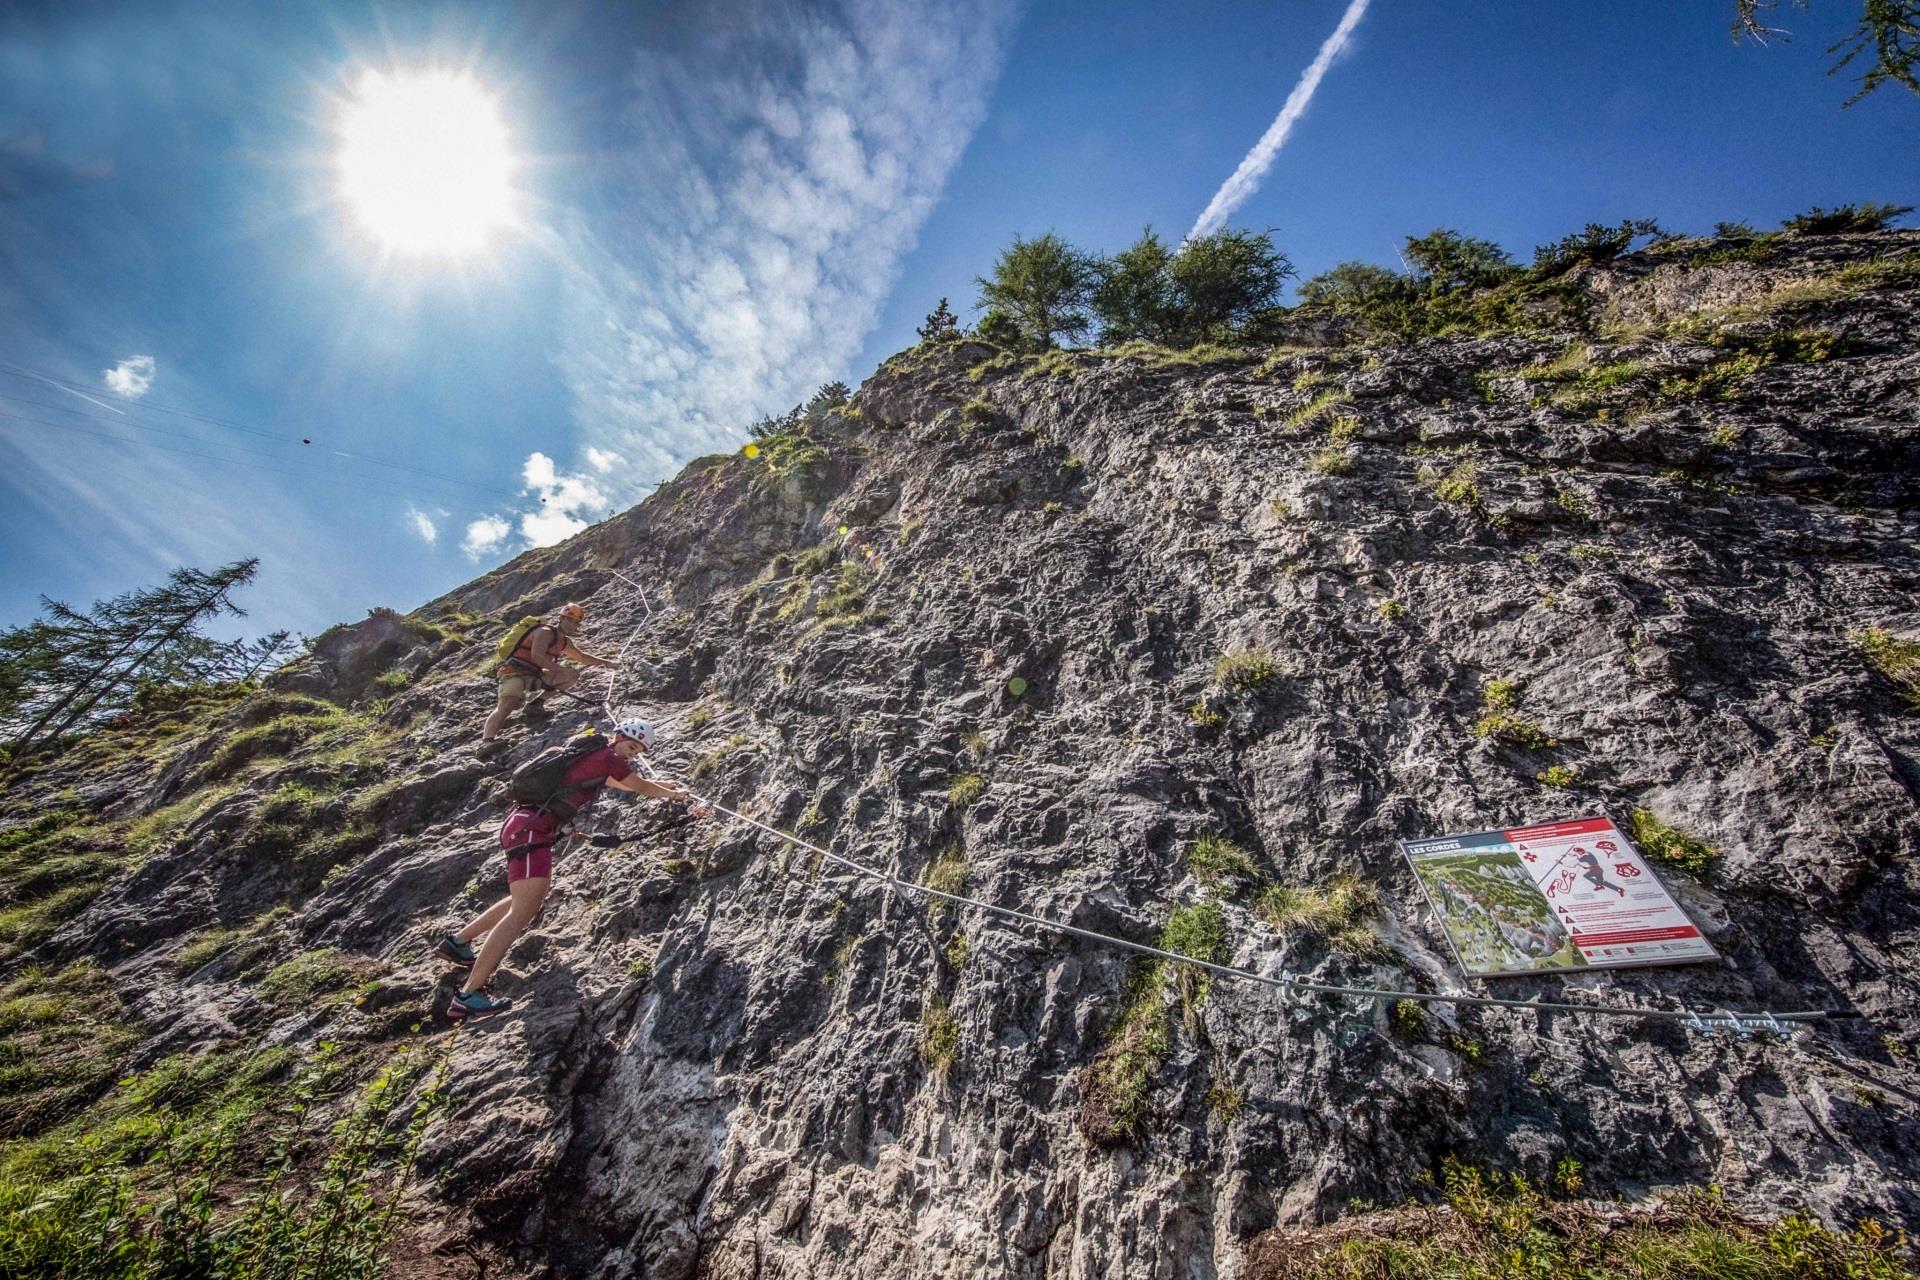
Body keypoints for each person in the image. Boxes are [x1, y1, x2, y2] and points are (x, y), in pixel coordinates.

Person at [437, 719, 702, 1018]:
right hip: (532, 831)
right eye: (631, 747)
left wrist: (667, 788)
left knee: (521, 901)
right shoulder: (607, 757)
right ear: (618, 737)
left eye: (638, 752)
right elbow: (638, 784)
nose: (632, 755)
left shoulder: (592, 754)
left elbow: (626, 784)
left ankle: (458, 942)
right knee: (521, 914)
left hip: (526, 826)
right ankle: (469, 993)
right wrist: (677, 795)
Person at [482, 602, 621, 740]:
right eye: (570, 620)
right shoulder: (545, 632)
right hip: (514, 673)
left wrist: (606, 663)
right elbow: (538, 657)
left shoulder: (564, 642)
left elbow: (582, 657)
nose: (573, 625)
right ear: (561, 619)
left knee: (572, 675)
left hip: (535, 676)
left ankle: (536, 704)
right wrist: (561, 670)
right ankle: (487, 741)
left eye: (576, 623)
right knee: (507, 705)